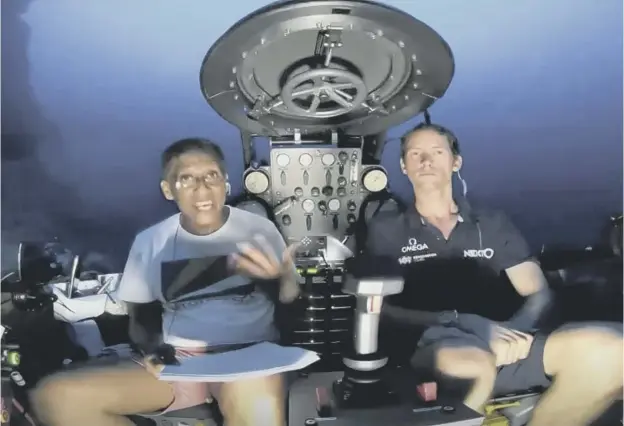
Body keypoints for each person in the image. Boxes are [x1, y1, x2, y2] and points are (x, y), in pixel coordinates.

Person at [30, 138, 301, 426]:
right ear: (168, 189)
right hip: (180, 361)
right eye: (187, 179)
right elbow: (141, 315)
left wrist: (285, 279)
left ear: (226, 183)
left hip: (249, 355)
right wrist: (153, 348)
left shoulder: (259, 229)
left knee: (254, 404)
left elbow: (289, 305)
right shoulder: (150, 242)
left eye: (211, 176)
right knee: (54, 396)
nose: (202, 188)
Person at [367, 123, 623, 426]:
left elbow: (537, 292)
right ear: (403, 166)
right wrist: (464, 323)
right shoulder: (386, 230)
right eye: (415, 154)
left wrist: (516, 333)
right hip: (430, 346)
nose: (426, 161)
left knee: (613, 350)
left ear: (456, 162)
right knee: (477, 366)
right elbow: (378, 308)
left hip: (505, 341)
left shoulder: (491, 223)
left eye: (437, 152)